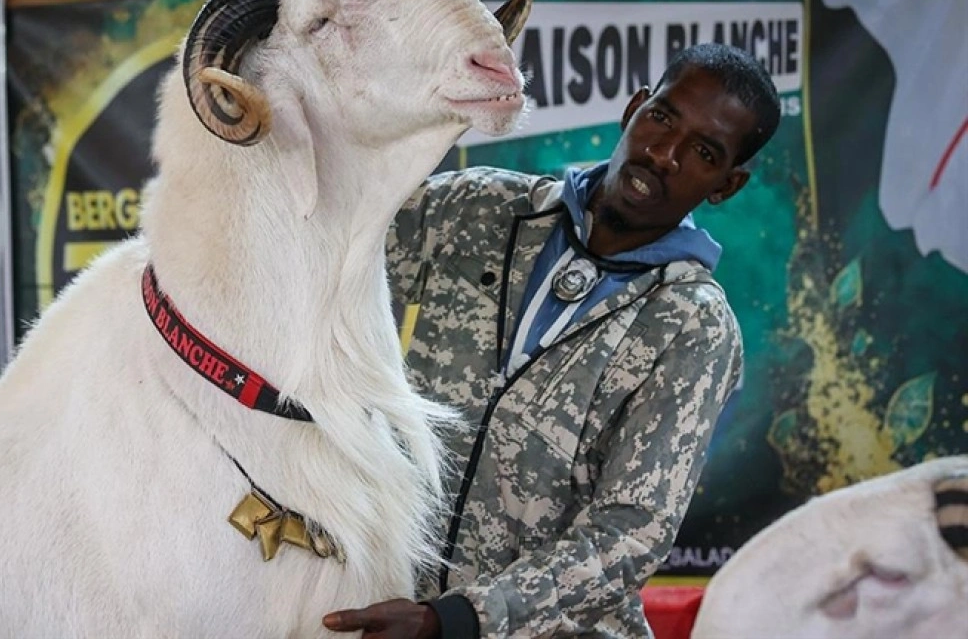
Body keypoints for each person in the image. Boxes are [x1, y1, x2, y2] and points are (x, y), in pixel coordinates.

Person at [322, 43, 781, 638]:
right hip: (388, 608)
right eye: (663, 117)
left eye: (703, 152)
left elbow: (631, 530)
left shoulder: (693, 325)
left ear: (727, 184)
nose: (664, 154)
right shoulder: (478, 208)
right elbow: (329, 258)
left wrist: (459, 619)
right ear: (635, 109)